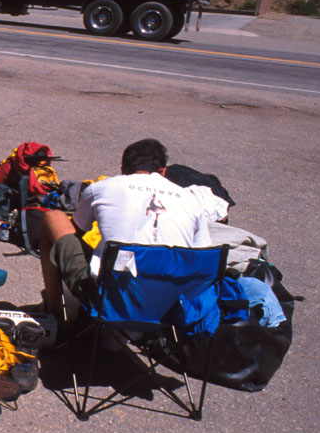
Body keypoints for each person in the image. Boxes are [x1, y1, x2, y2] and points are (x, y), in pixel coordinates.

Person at [38, 138, 212, 322]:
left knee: (53, 218)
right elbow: (202, 254)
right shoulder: (192, 199)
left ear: (123, 170)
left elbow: (78, 230)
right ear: (163, 171)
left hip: (111, 299)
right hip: (172, 302)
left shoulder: (100, 188)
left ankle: (54, 313)